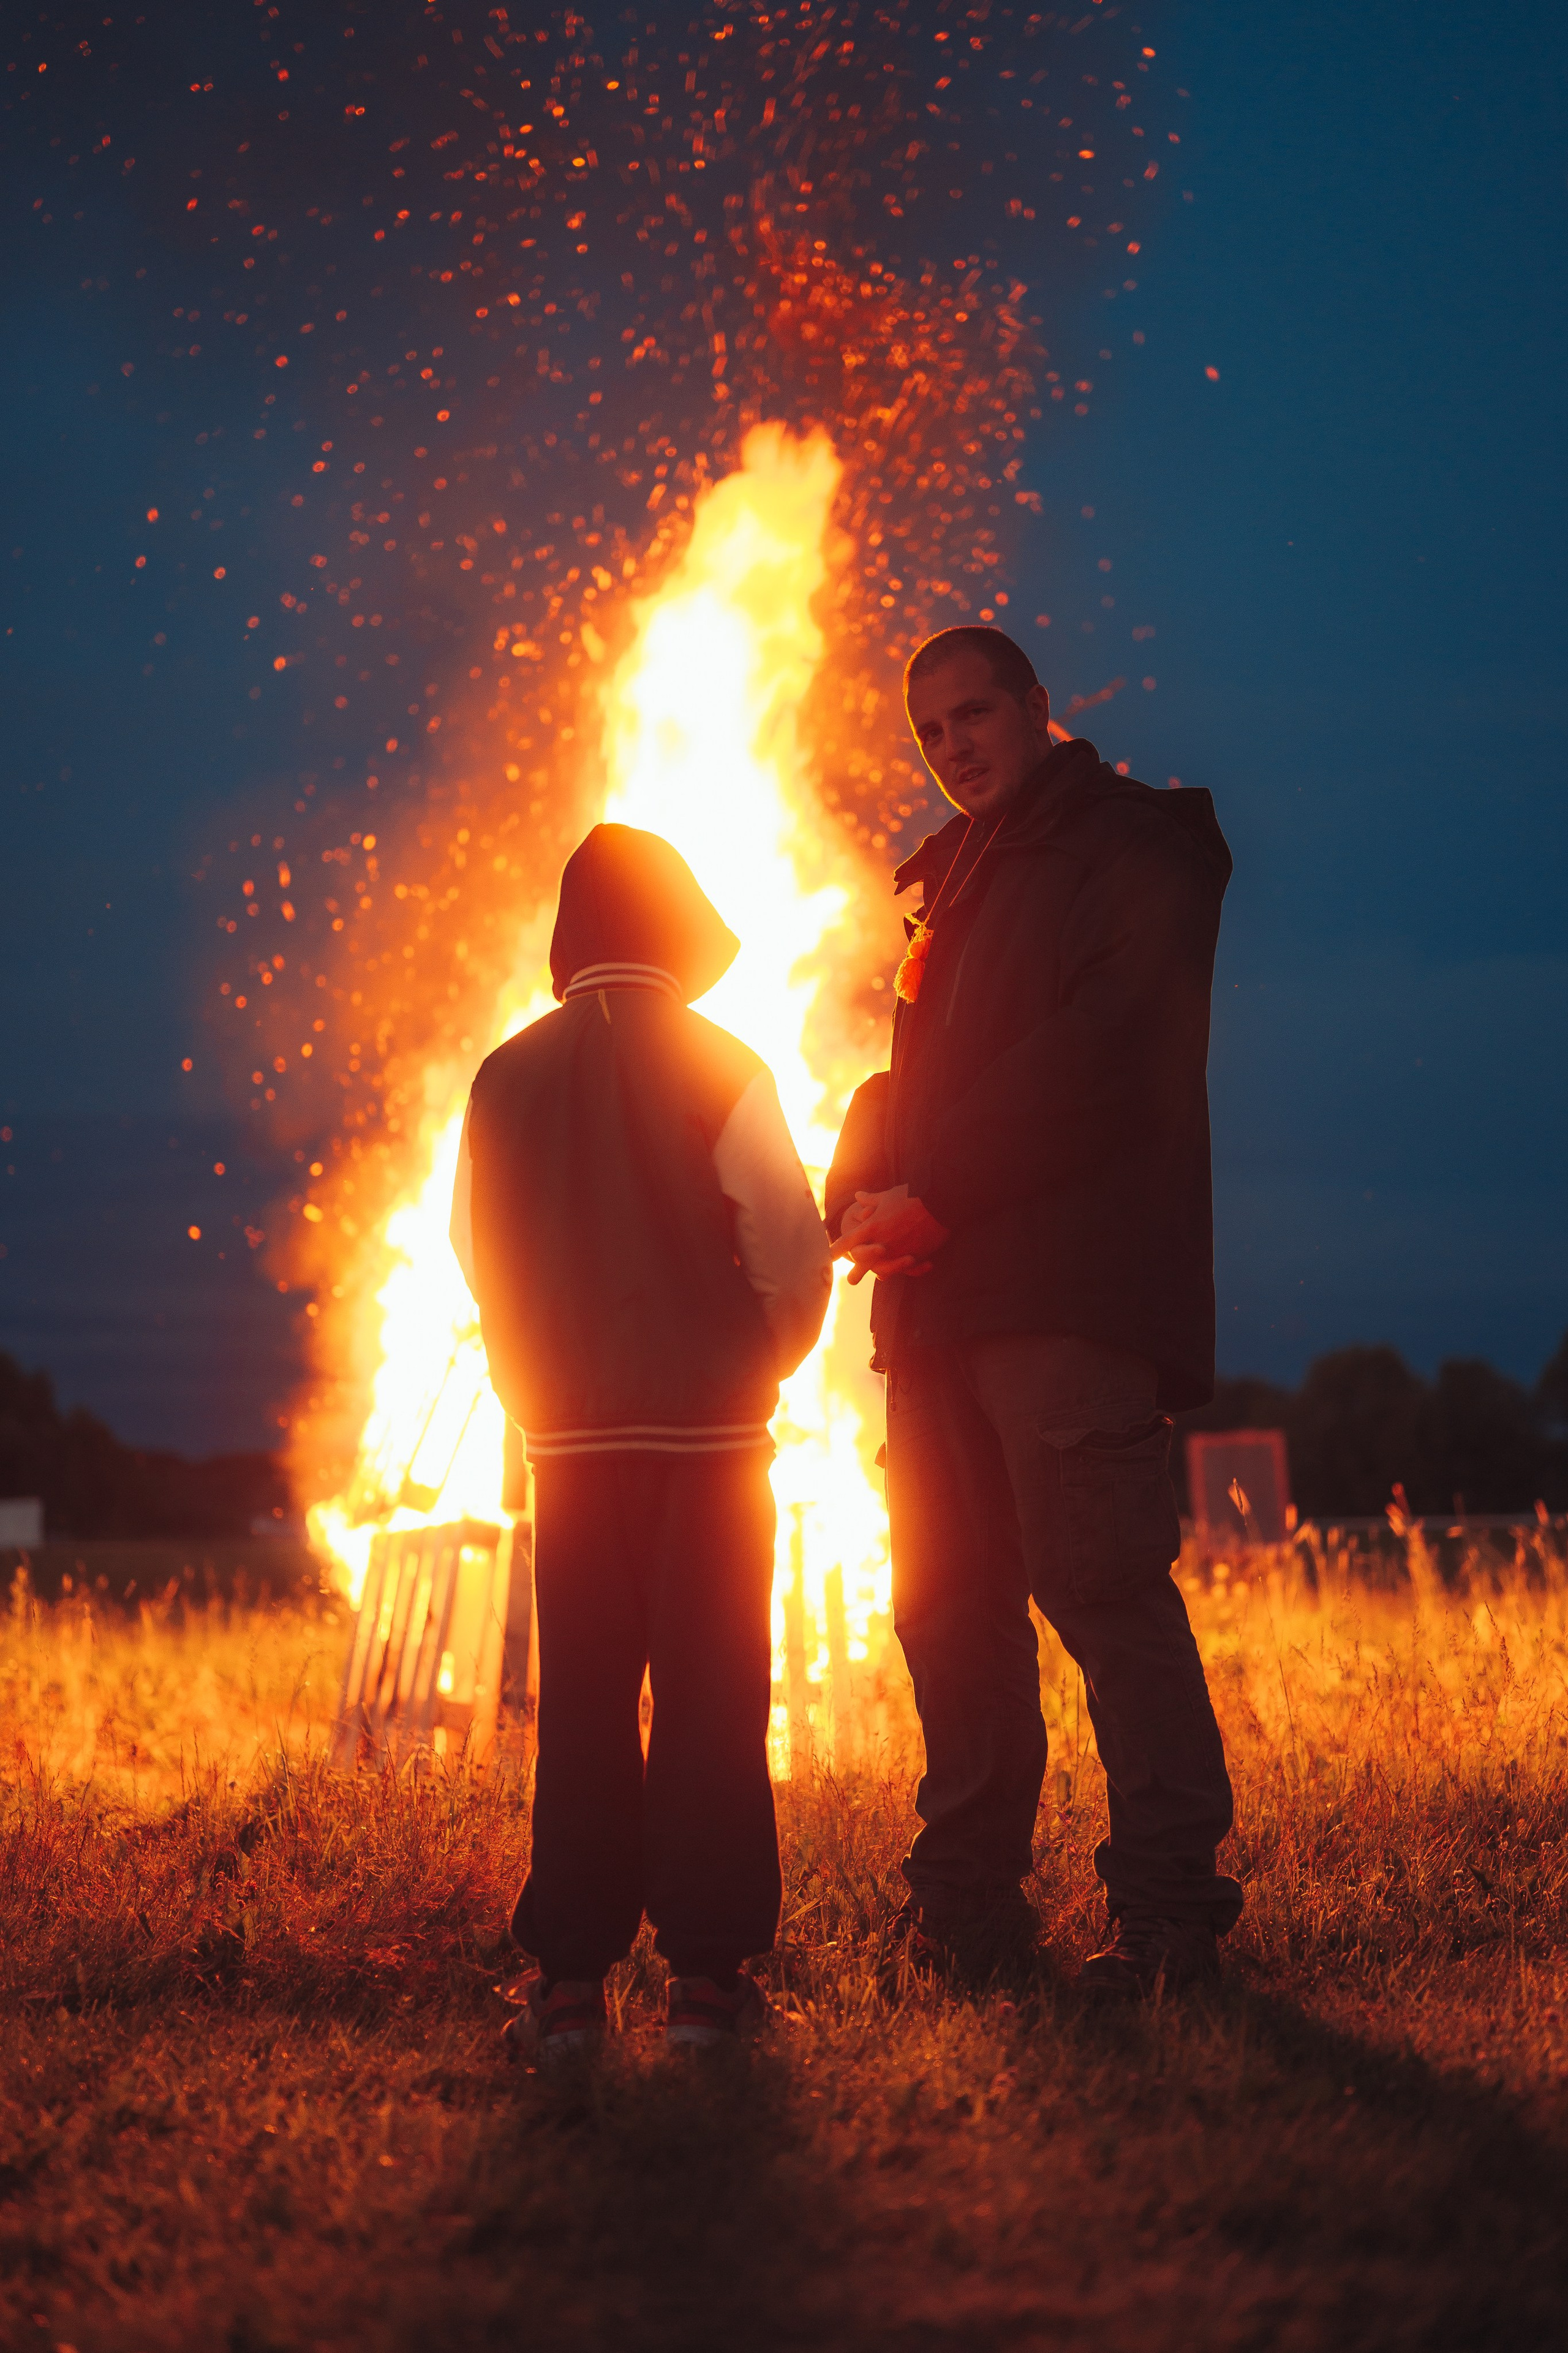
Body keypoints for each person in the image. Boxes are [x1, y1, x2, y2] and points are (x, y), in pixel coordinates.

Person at [828, 625, 1242, 1995]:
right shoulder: (947, 878)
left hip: (1063, 1299)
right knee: (946, 1609)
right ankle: (962, 1910)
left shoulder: (1133, 845)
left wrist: (935, 1187)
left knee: (1100, 1592)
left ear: (1034, 707)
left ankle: (1170, 1921)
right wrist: (857, 1179)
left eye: (971, 715)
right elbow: (911, 1082)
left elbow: (1105, 1051)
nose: (951, 747)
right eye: (928, 732)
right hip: (936, 1314)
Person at [450, 823, 830, 2064]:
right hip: (713, 1445)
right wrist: (755, 1358)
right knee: (714, 1702)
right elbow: (784, 1239)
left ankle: (565, 1989)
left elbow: (473, 1246)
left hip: (565, 1447)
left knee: (583, 1706)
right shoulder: (725, 1065)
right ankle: (706, 1992)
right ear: (677, 928)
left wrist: (535, 1371)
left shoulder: (502, 1076)